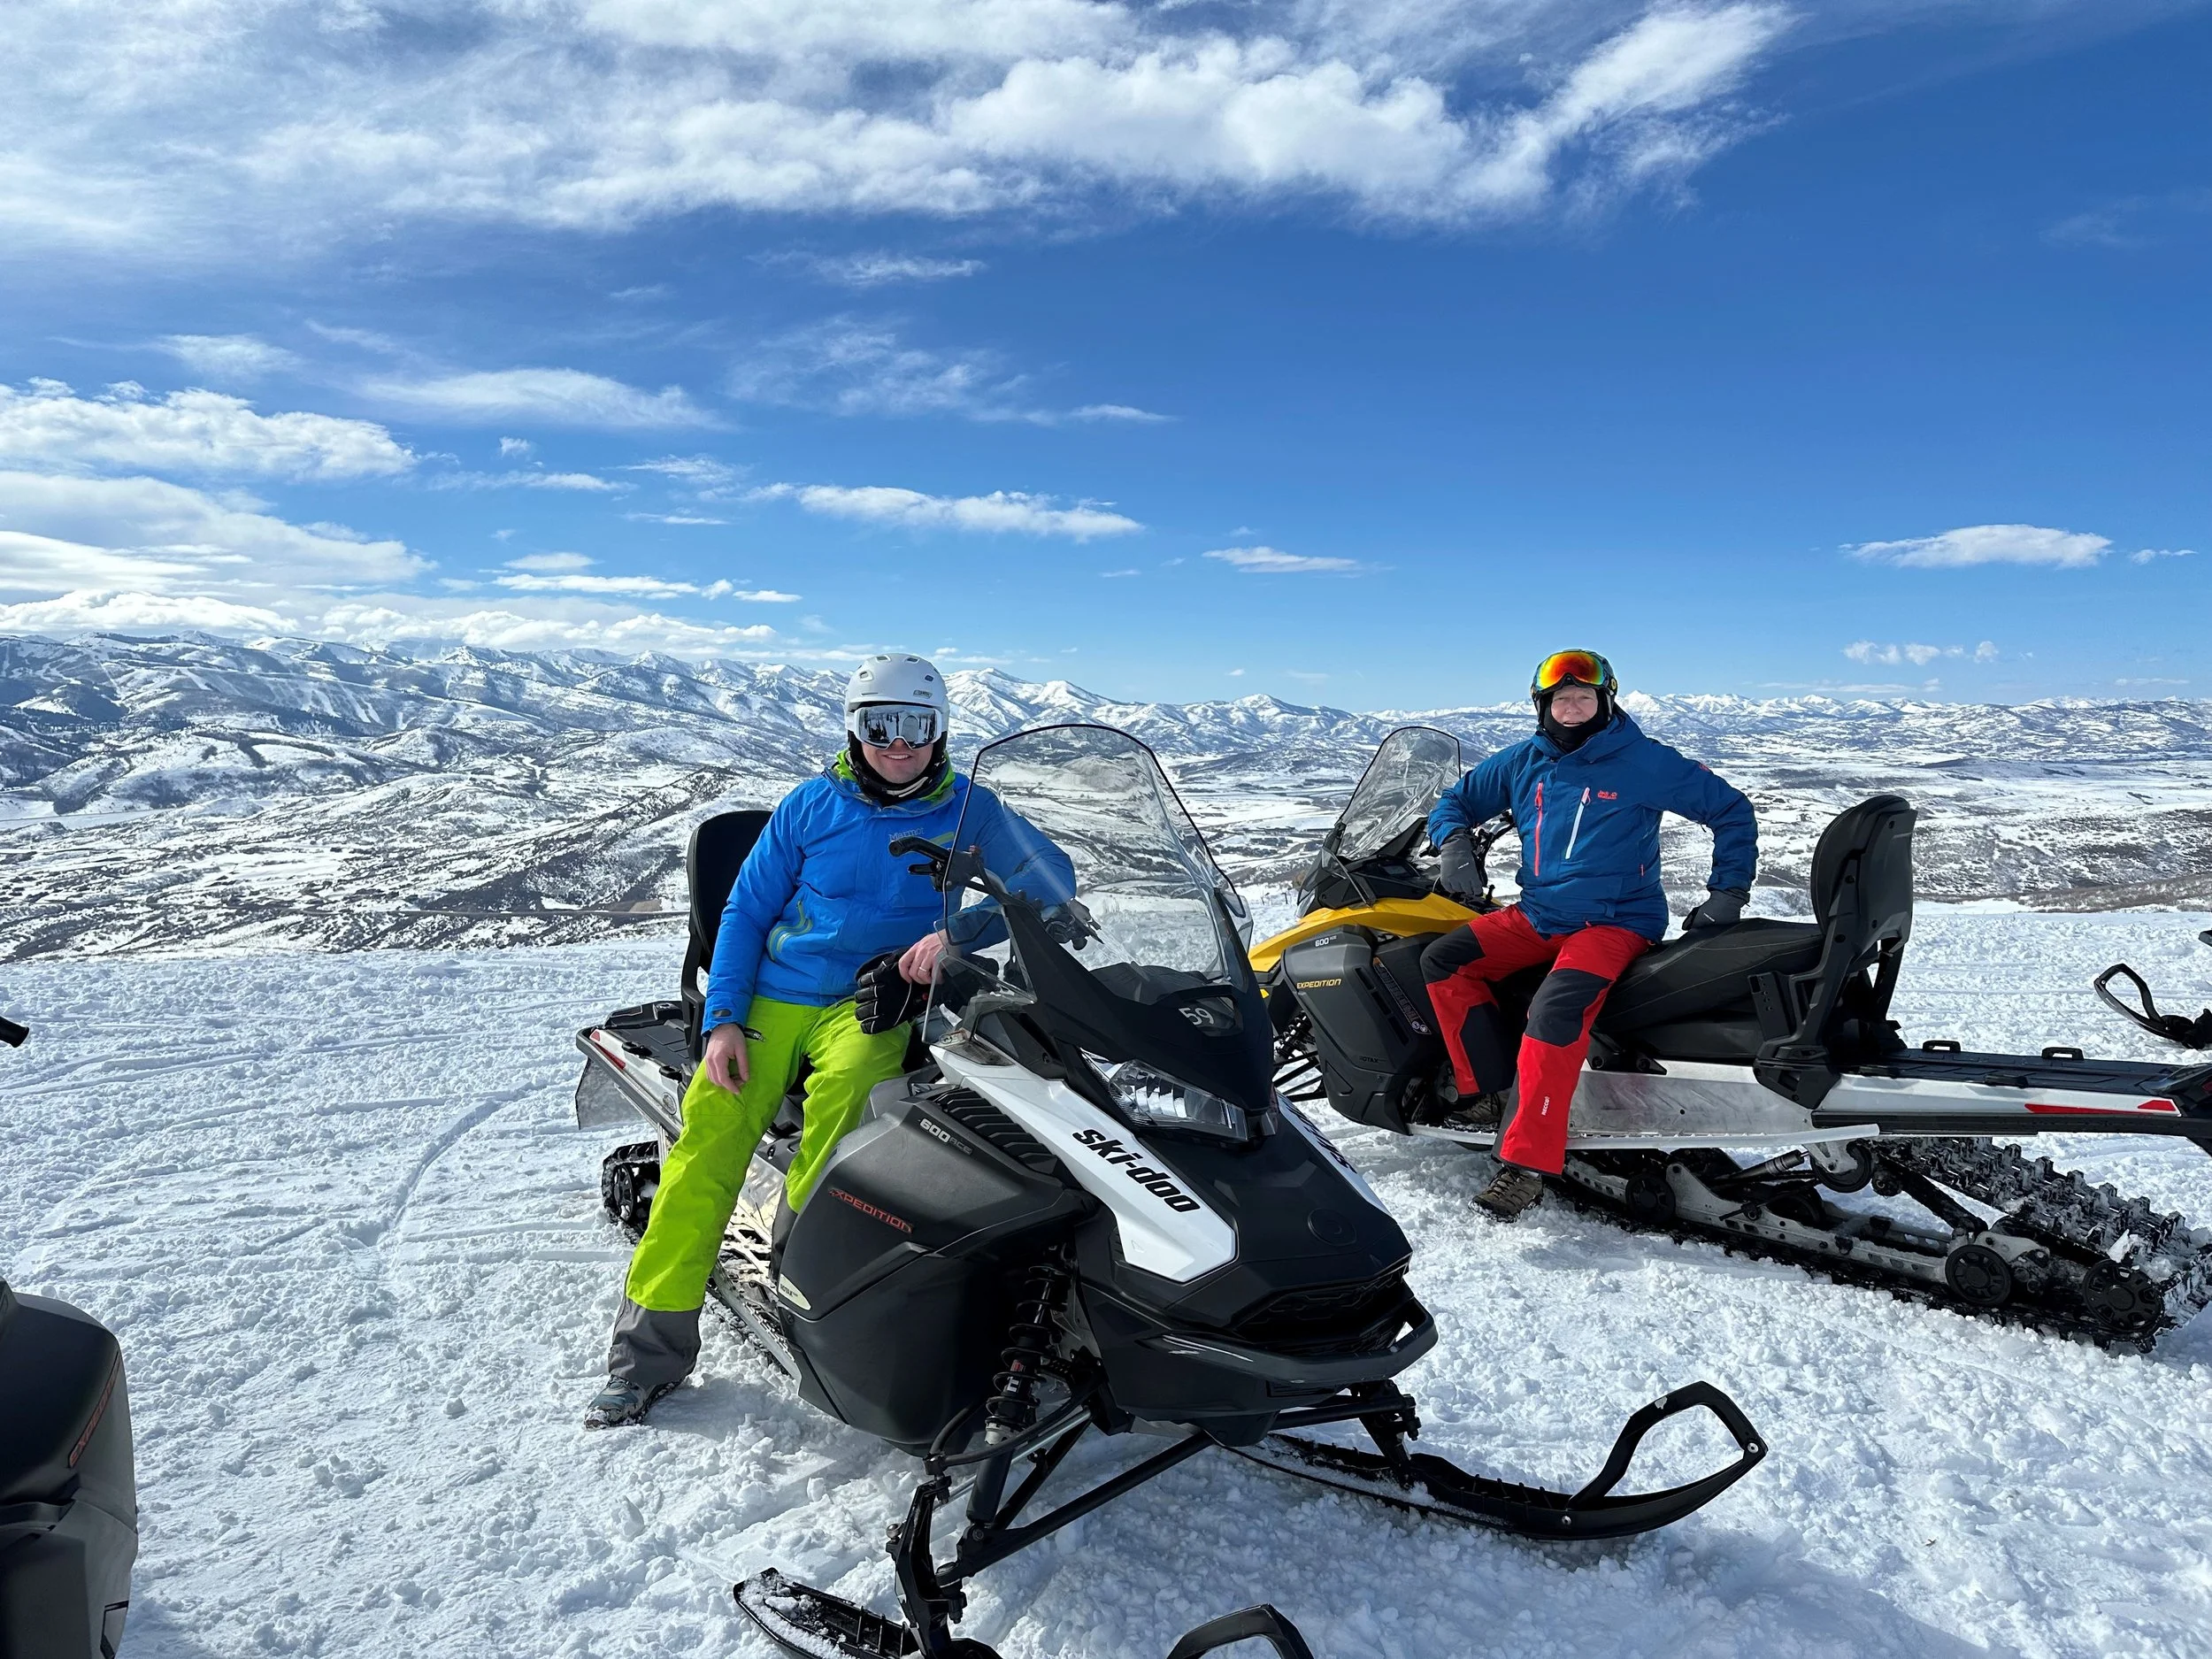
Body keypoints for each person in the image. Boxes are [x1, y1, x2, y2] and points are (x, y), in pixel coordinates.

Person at [585, 653, 1074, 1427]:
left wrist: (958, 932)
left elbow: (1053, 880)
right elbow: (744, 913)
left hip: (873, 1002)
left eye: (917, 725)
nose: (899, 743)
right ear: (855, 729)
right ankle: (648, 1355)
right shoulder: (812, 805)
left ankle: (807, 1277)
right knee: (709, 1146)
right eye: (881, 725)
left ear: (941, 731)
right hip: (776, 995)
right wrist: (722, 1022)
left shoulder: (972, 809)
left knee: (852, 1118)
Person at [1421, 649, 1756, 1221]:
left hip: (1614, 921)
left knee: (1553, 1012)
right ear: (1542, 706)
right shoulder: (1524, 761)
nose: (1572, 707)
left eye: (1584, 697)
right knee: (1445, 961)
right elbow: (1455, 800)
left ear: (1606, 702)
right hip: (1539, 915)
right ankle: (1492, 1092)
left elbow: (1730, 809)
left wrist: (1727, 894)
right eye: (1561, 699)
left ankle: (1526, 1165)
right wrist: (1452, 843)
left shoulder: (1642, 760)